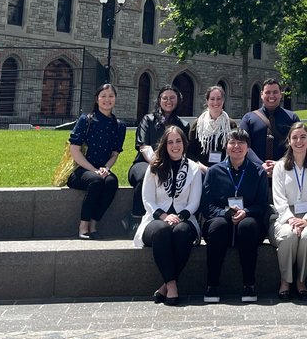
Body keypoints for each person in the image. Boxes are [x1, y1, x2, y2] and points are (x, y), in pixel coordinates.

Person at [133, 125, 203, 306]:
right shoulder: (154, 167)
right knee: (163, 231)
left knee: (181, 232)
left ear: (184, 143)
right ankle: (172, 284)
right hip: (156, 220)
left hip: (185, 219)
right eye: (170, 142)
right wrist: (164, 216)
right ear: (165, 145)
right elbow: (147, 199)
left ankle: (165, 286)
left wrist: (179, 217)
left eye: (178, 141)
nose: (175, 146)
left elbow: (194, 202)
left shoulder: (194, 169)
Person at [198, 128, 270, 303]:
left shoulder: (258, 172)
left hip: (249, 220)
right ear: (226, 146)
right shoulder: (214, 172)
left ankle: (249, 284)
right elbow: (206, 205)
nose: (236, 146)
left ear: (248, 147)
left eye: (241, 143)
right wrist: (224, 213)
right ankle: (212, 284)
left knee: (247, 226)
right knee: (219, 226)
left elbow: (262, 204)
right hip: (220, 218)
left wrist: (247, 212)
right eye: (232, 142)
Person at [271, 122, 307, 299]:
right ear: (289, 141)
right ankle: (286, 281)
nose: (299, 141)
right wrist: (290, 219)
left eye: (303, 137)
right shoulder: (280, 167)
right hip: (283, 217)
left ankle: (301, 280)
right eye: (294, 137)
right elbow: (278, 198)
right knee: (288, 235)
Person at [66, 82, 127, 239]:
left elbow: (115, 153)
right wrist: (93, 170)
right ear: (97, 99)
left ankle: (94, 223)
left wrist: (106, 168)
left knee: (111, 182)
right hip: (81, 170)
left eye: (111, 96)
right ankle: (83, 225)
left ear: (115, 99)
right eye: (103, 96)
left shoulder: (119, 126)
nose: (107, 99)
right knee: (96, 181)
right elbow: (75, 150)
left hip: (102, 169)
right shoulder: (86, 120)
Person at [127, 85, 184, 221]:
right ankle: (136, 218)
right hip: (144, 163)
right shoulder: (148, 120)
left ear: (178, 100)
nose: (168, 101)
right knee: (146, 175)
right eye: (165, 98)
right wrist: (158, 164)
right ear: (159, 100)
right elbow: (143, 146)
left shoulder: (182, 125)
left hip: (172, 165)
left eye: (172, 98)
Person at [240, 78, 299, 177]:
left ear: (281, 94)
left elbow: (298, 145)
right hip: (255, 173)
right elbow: (243, 145)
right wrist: (261, 165)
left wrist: (280, 163)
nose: (271, 96)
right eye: (268, 92)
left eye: (275, 92)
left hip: (285, 172)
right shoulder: (248, 118)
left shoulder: (292, 118)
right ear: (261, 94)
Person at [187, 85, 232, 168]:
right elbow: (190, 152)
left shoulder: (230, 125)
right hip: (201, 171)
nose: (215, 102)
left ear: (223, 100)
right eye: (212, 99)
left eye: (219, 99)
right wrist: (203, 168)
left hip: (224, 170)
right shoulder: (198, 124)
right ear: (207, 101)